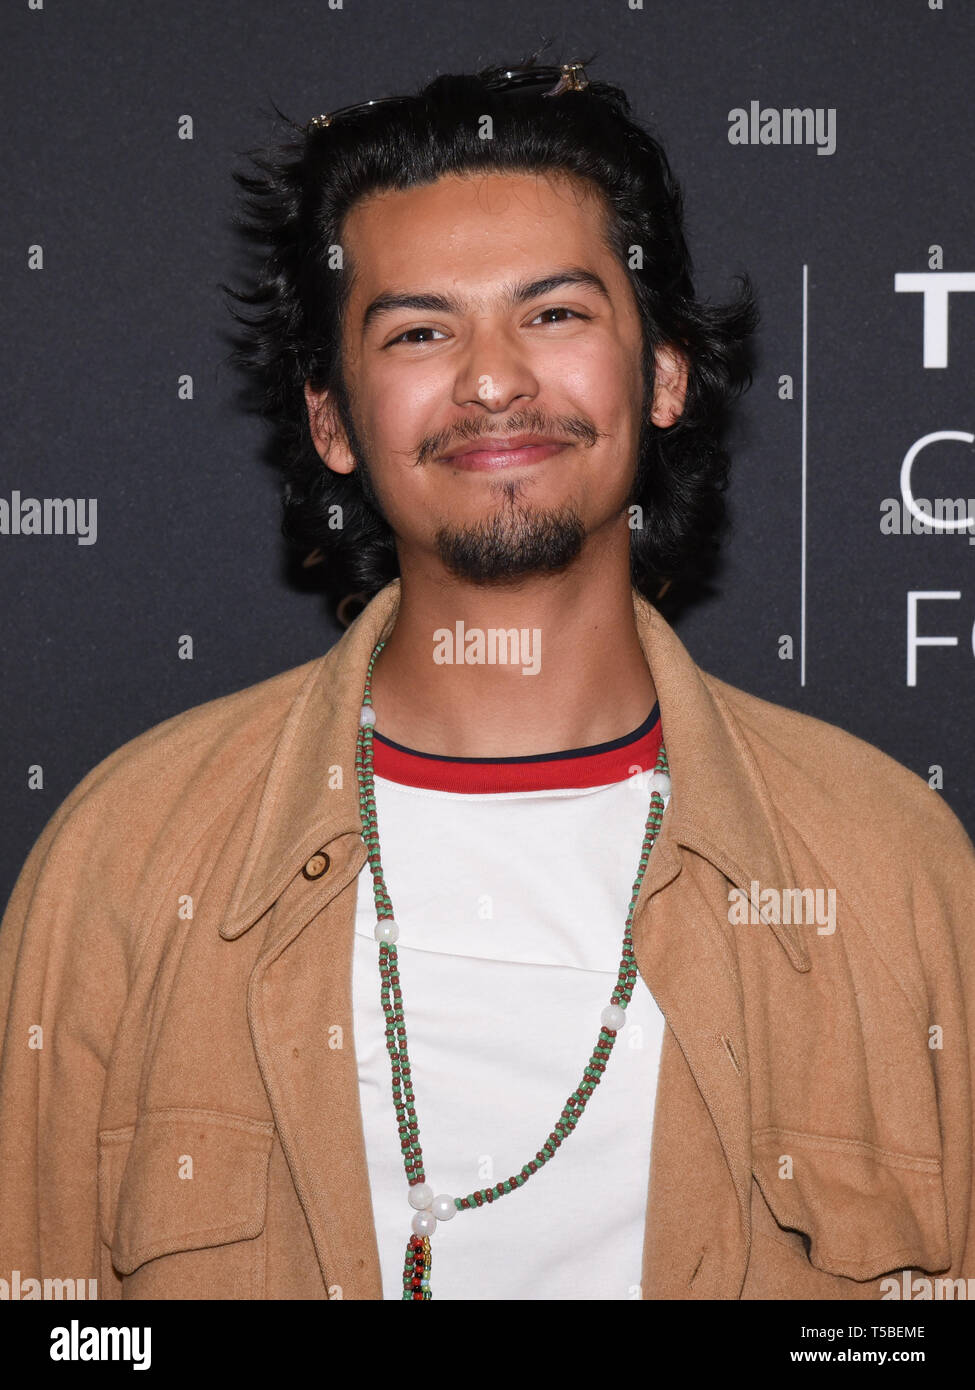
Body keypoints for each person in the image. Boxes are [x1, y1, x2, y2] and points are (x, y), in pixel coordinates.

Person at [1, 55, 973, 1303]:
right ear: (333, 420)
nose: (492, 378)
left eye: (555, 312)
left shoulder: (889, 873)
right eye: (418, 330)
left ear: (663, 373)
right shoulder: (123, 867)